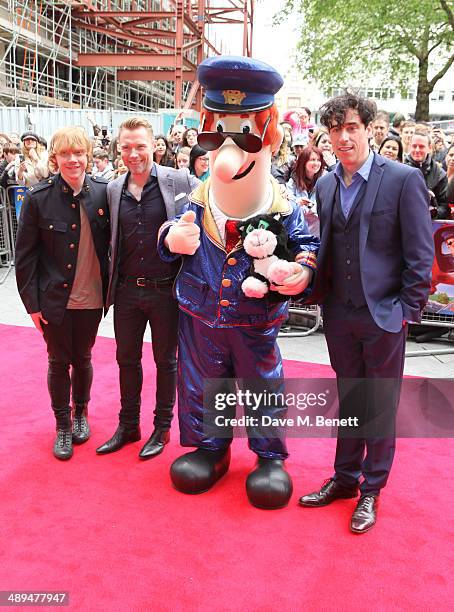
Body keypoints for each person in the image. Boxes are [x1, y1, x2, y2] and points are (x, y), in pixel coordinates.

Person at [158, 56, 319, 510]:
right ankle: (211, 447)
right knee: (203, 381)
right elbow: (171, 232)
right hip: (202, 311)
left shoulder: (283, 203)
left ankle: (269, 456)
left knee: (261, 382)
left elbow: (306, 244)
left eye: (244, 134)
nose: (228, 151)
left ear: (267, 134)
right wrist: (172, 238)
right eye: (218, 134)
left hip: (254, 317)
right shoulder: (198, 195)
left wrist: (300, 272)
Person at [298, 93, 434, 533]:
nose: (343, 137)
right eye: (335, 130)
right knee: (351, 399)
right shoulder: (325, 184)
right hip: (339, 314)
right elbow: (327, 246)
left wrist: (405, 312)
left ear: (369, 129)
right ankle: (344, 478)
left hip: (384, 315)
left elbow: (419, 254)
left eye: (351, 127)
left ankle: (372, 489)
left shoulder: (402, 179)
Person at [96, 118, 199, 459]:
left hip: (166, 290)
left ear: (154, 145)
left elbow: (214, 199)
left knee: (166, 361)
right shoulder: (113, 189)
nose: (132, 153)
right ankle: (128, 425)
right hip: (125, 290)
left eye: (139, 146)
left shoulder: (178, 179)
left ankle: (162, 427)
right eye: (125, 147)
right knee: (126, 359)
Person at [15, 127, 110, 460]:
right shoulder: (38, 198)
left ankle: (81, 413)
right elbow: (25, 256)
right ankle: (62, 425)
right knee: (58, 362)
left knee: (82, 359)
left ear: (88, 155)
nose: (73, 160)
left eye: (79, 153)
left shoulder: (104, 193)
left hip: (91, 297)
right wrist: (32, 305)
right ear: (54, 158)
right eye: (65, 154)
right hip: (53, 298)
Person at [405, 130, 449, 218]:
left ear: (429, 148)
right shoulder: (399, 168)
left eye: (421, 147)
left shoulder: (439, 174)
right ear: (410, 147)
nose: (417, 150)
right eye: (414, 146)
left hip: (429, 225)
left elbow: (444, 207)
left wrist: (433, 211)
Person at [287, 144, 326, 235]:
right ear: (303, 162)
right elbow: (288, 201)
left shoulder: (326, 179)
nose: (316, 163)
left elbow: (327, 206)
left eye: (319, 160)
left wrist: (311, 207)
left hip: (319, 229)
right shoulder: (294, 179)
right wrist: (297, 202)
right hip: (298, 228)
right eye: (312, 160)